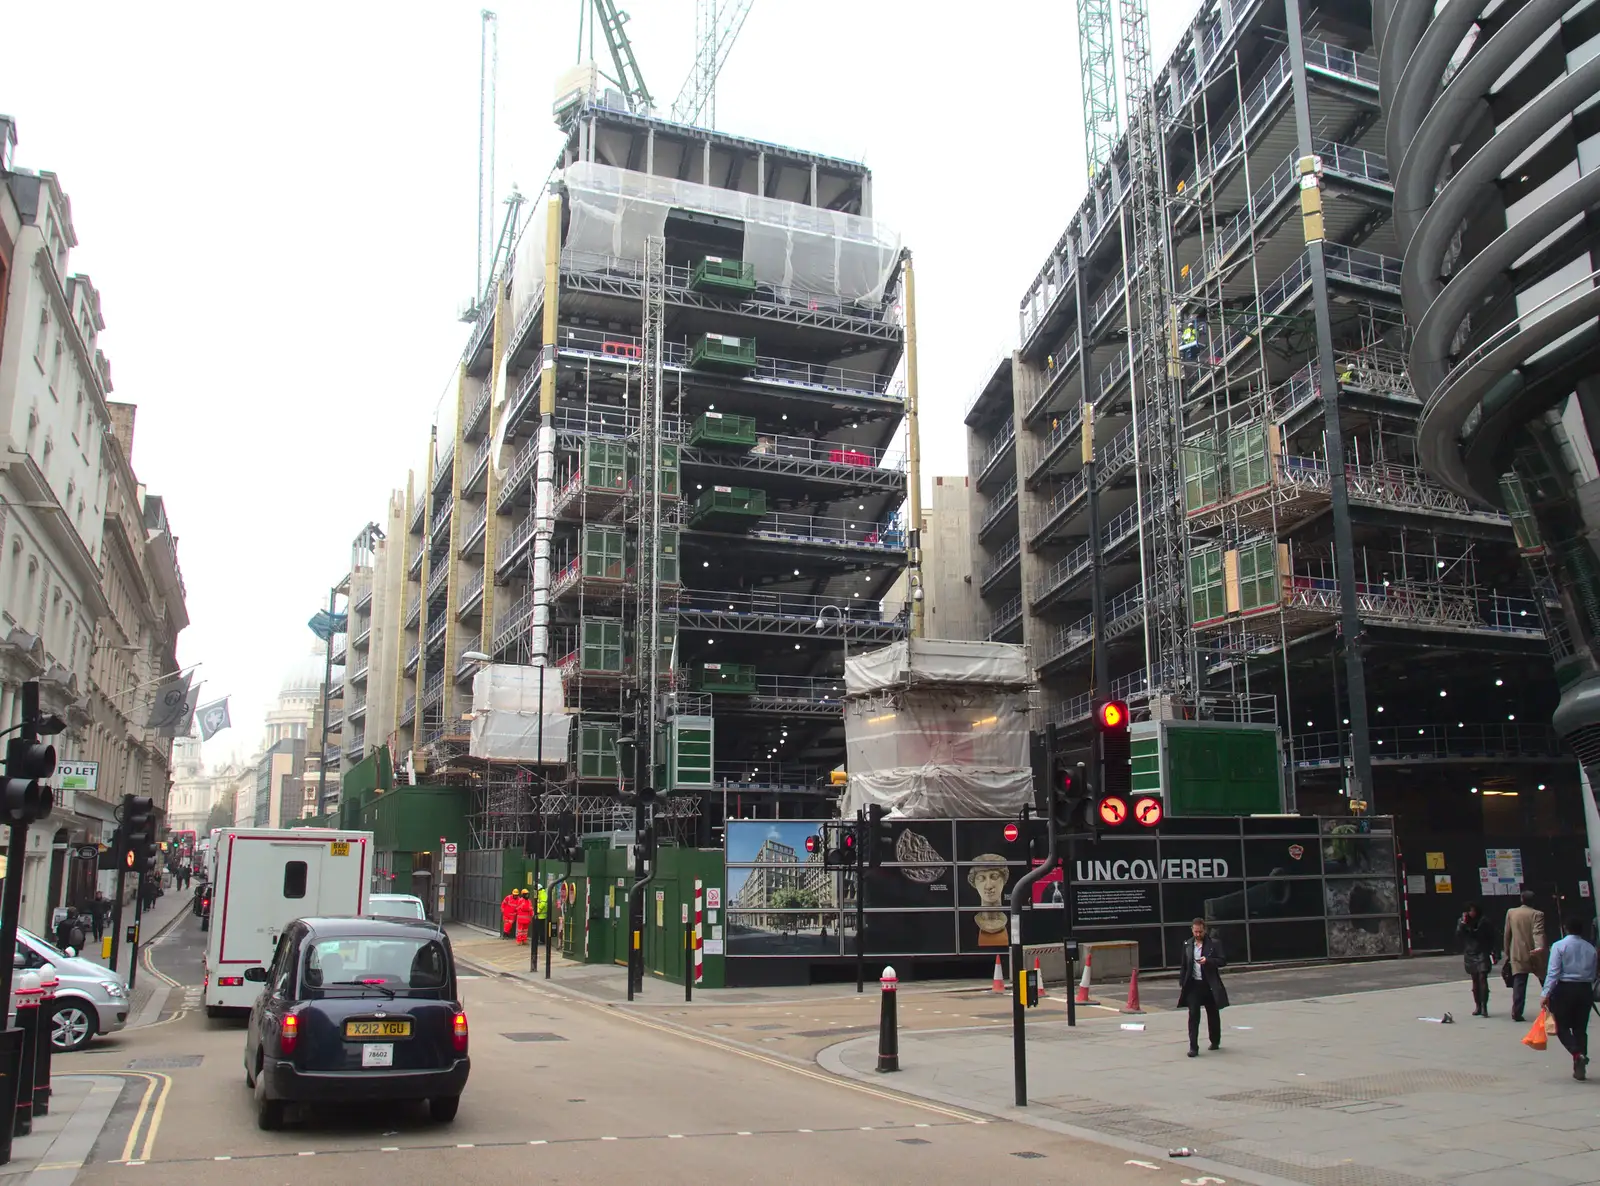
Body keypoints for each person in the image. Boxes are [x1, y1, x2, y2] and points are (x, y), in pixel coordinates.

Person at [1539, 915, 1598, 1080]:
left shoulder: (1559, 946)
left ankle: (1576, 1053)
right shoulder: (1590, 948)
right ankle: (1579, 1063)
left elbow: (1553, 972)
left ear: (1566, 928)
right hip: (1585, 989)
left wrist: (1545, 993)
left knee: (1561, 1026)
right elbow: (1593, 973)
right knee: (1580, 1028)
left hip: (1565, 988)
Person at [1176, 917, 1229, 1056]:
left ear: (1204, 930)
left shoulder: (1214, 944)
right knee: (1193, 1014)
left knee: (1212, 1014)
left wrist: (1208, 961)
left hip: (1209, 985)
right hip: (1194, 985)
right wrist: (1182, 981)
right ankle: (1193, 1047)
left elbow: (1223, 960)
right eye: (1195, 932)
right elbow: (1184, 965)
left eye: (1200, 932)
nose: (1198, 934)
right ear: (1192, 930)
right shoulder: (1188, 944)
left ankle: (1215, 1040)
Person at [1503, 889, 1547, 1022]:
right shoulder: (1537, 914)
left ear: (1521, 899)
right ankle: (1553, 1008)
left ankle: (1517, 1012)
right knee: (1545, 981)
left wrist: (1507, 952)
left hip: (1517, 952)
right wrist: (1539, 947)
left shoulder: (1511, 912)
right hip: (1535, 953)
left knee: (1519, 983)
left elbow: (1507, 934)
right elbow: (1538, 932)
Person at [1457, 902, 1497, 1016]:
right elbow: (1459, 935)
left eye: (1474, 911)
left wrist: (1494, 952)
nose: (1472, 913)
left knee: (1482, 978)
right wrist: (1463, 924)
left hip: (1482, 951)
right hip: (1470, 952)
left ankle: (1484, 1006)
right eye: (1470, 911)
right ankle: (1478, 1006)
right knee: (1475, 979)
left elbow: (1492, 937)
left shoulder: (1484, 921)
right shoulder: (1463, 921)